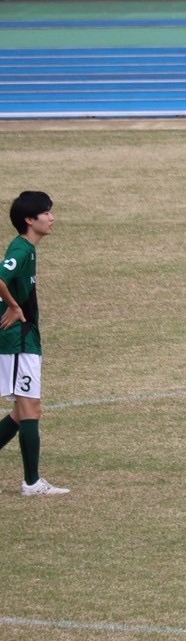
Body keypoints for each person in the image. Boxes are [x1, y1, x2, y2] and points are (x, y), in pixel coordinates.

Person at [0, 191, 67, 496]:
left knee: (23, 412)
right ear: (29, 219)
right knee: (30, 408)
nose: (52, 218)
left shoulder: (28, 249)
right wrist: (14, 307)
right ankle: (32, 482)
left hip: (25, 339)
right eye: (46, 213)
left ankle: (33, 481)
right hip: (18, 341)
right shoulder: (21, 248)